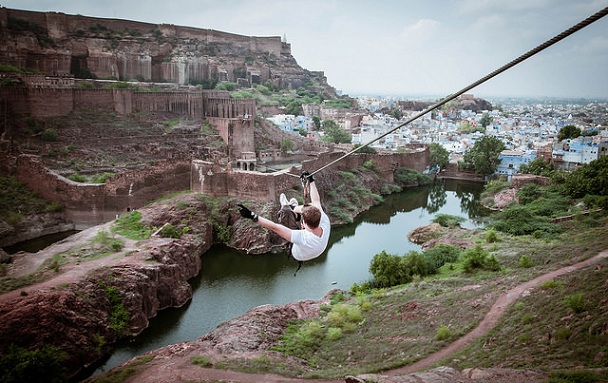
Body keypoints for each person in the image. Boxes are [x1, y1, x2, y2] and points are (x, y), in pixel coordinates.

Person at [237, 171, 331, 263]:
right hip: (316, 249)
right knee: (313, 206)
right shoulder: (325, 222)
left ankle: (287, 208)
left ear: (304, 223)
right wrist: (311, 179)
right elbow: (316, 201)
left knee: (286, 214)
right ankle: (293, 209)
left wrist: (251, 215)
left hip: (295, 252)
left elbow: (275, 227)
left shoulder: (303, 237)